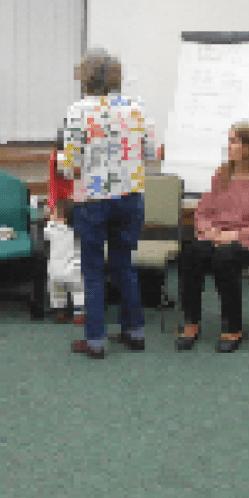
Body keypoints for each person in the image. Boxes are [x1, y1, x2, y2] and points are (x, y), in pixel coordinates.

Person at [62, 48, 157, 360]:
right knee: (124, 264)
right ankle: (135, 331)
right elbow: (152, 154)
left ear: (87, 78)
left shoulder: (78, 111)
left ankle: (95, 340)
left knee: (92, 270)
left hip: (93, 200)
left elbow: (69, 164)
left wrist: (69, 168)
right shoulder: (137, 107)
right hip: (131, 196)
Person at [176, 122, 249, 353]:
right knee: (190, 252)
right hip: (218, 236)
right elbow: (202, 212)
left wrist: (235, 235)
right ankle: (191, 322)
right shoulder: (222, 173)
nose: (229, 146)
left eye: (234, 141)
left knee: (225, 258)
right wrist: (208, 230)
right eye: (229, 140)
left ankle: (233, 327)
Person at [44, 198, 85, 325]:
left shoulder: (53, 229)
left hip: (56, 271)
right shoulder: (79, 231)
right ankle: (79, 314)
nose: (51, 215)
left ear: (62, 219)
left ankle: (60, 313)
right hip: (75, 271)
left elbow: (44, 234)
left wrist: (50, 222)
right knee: (79, 292)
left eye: (54, 213)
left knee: (57, 293)